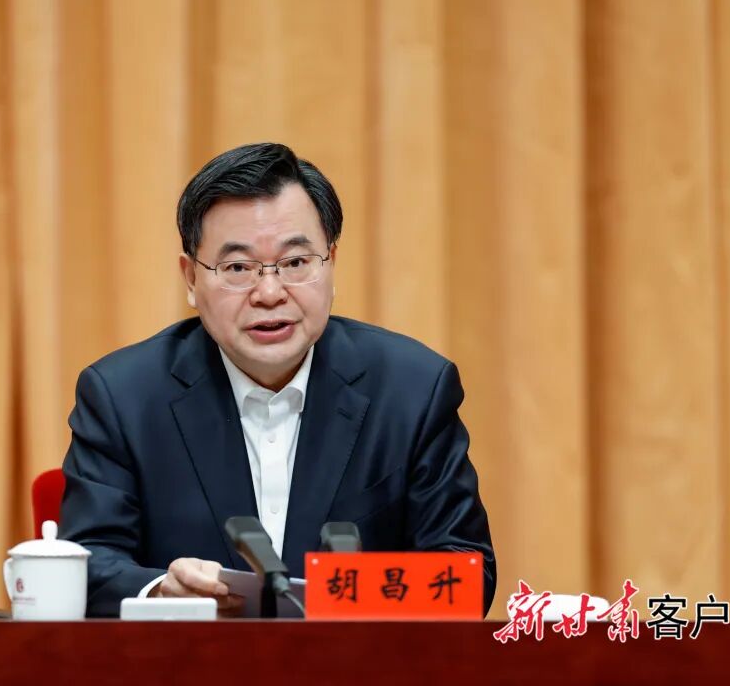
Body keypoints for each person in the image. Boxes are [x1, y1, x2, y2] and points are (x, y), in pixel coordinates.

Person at [59, 143, 495, 617]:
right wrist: (161, 591)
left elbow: (465, 574)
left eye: (295, 263)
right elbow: (87, 563)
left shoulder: (412, 390)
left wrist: (342, 597)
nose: (269, 293)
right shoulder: (124, 397)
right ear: (190, 279)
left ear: (331, 263)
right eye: (238, 268)